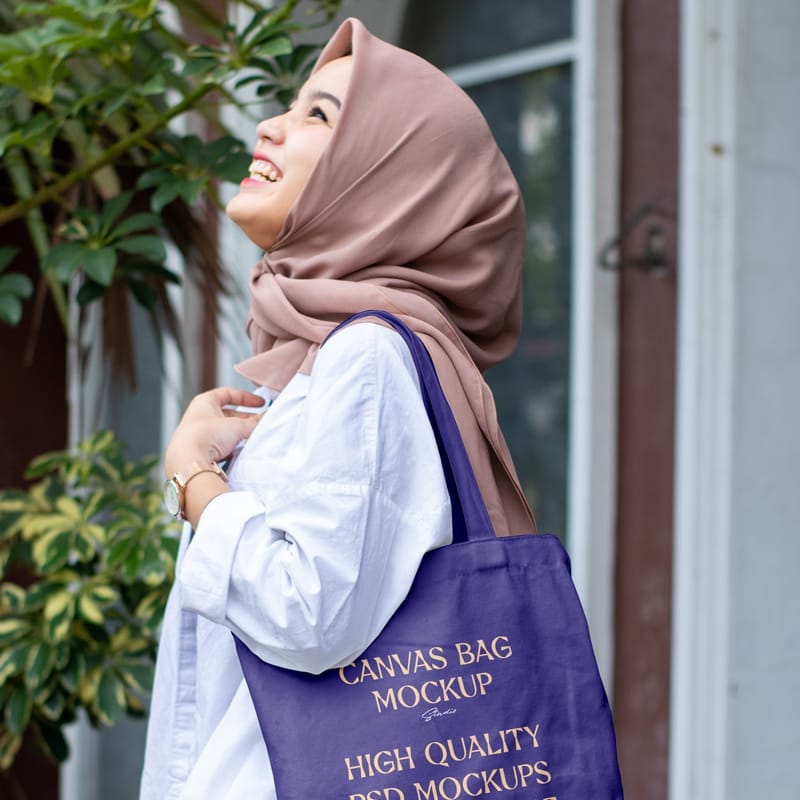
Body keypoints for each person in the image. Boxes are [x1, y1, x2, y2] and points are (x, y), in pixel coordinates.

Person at [139, 17, 535, 799]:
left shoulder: (369, 356)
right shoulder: (326, 355)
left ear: (383, 176)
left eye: (318, 116)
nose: (270, 126)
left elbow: (308, 612)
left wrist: (192, 479)